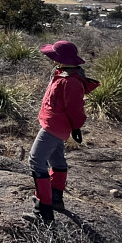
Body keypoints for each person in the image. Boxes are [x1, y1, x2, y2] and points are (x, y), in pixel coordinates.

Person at [28, 40, 99, 224]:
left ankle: (43, 211)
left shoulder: (71, 81)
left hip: (53, 127)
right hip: (55, 125)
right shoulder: (64, 74)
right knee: (57, 160)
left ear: (61, 59)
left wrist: (76, 127)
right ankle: (55, 199)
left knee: (36, 161)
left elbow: (75, 110)